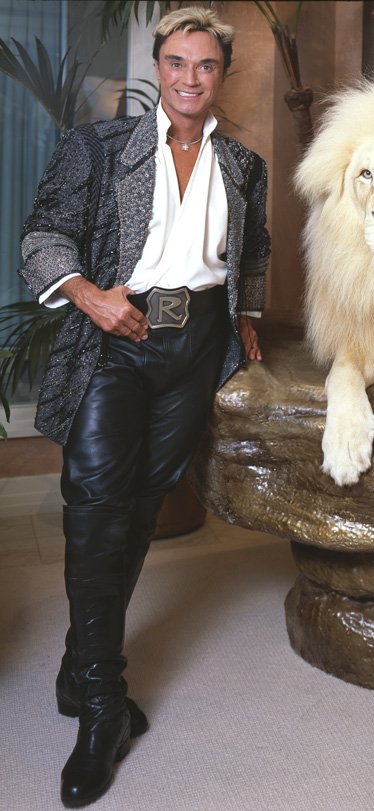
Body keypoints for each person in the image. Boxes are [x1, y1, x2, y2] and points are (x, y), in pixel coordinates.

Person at [19, 7, 269, 805]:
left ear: (220, 74)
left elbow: (251, 250)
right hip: (116, 339)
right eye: (175, 62)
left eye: (204, 65)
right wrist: (90, 298)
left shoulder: (243, 163)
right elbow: (42, 236)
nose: (188, 78)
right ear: (157, 67)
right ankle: (101, 705)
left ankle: (74, 668)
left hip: (193, 348)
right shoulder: (101, 146)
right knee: (94, 506)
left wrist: (249, 317)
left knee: (137, 505)